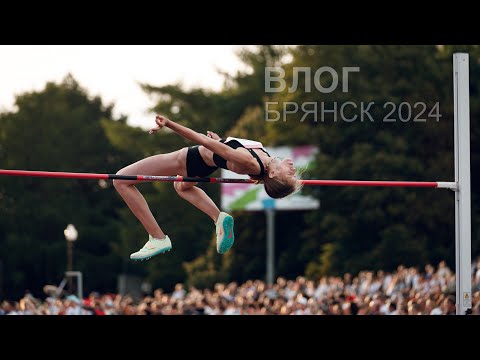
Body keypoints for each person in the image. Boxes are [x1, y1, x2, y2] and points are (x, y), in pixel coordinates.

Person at [113, 115, 302, 261]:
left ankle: (158, 238)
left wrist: (169, 124)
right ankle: (218, 218)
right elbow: (225, 150)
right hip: (203, 163)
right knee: (181, 187)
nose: (293, 169)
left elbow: (203, 141)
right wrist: (221, 141)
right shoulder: (264, 158)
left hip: (188, 159)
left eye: (289, 175)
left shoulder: (252, 162)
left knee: (121, 180)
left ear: (273, 175)